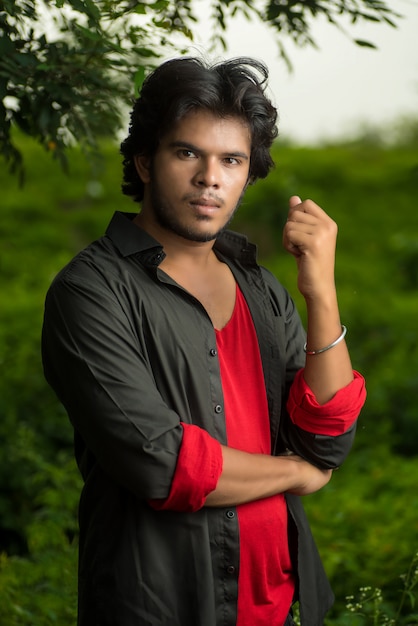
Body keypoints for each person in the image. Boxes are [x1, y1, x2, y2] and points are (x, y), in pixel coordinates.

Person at [42, 56, 366, 626]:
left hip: (285, 604)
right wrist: (295, 473)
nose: (209, 177)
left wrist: (321, 294)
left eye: (231, 160)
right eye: (187, 152)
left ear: (247, 173)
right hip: (161, 605)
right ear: (144, 160)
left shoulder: (261, 289)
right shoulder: (90, 291)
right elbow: (160, 462)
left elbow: (327, 438)